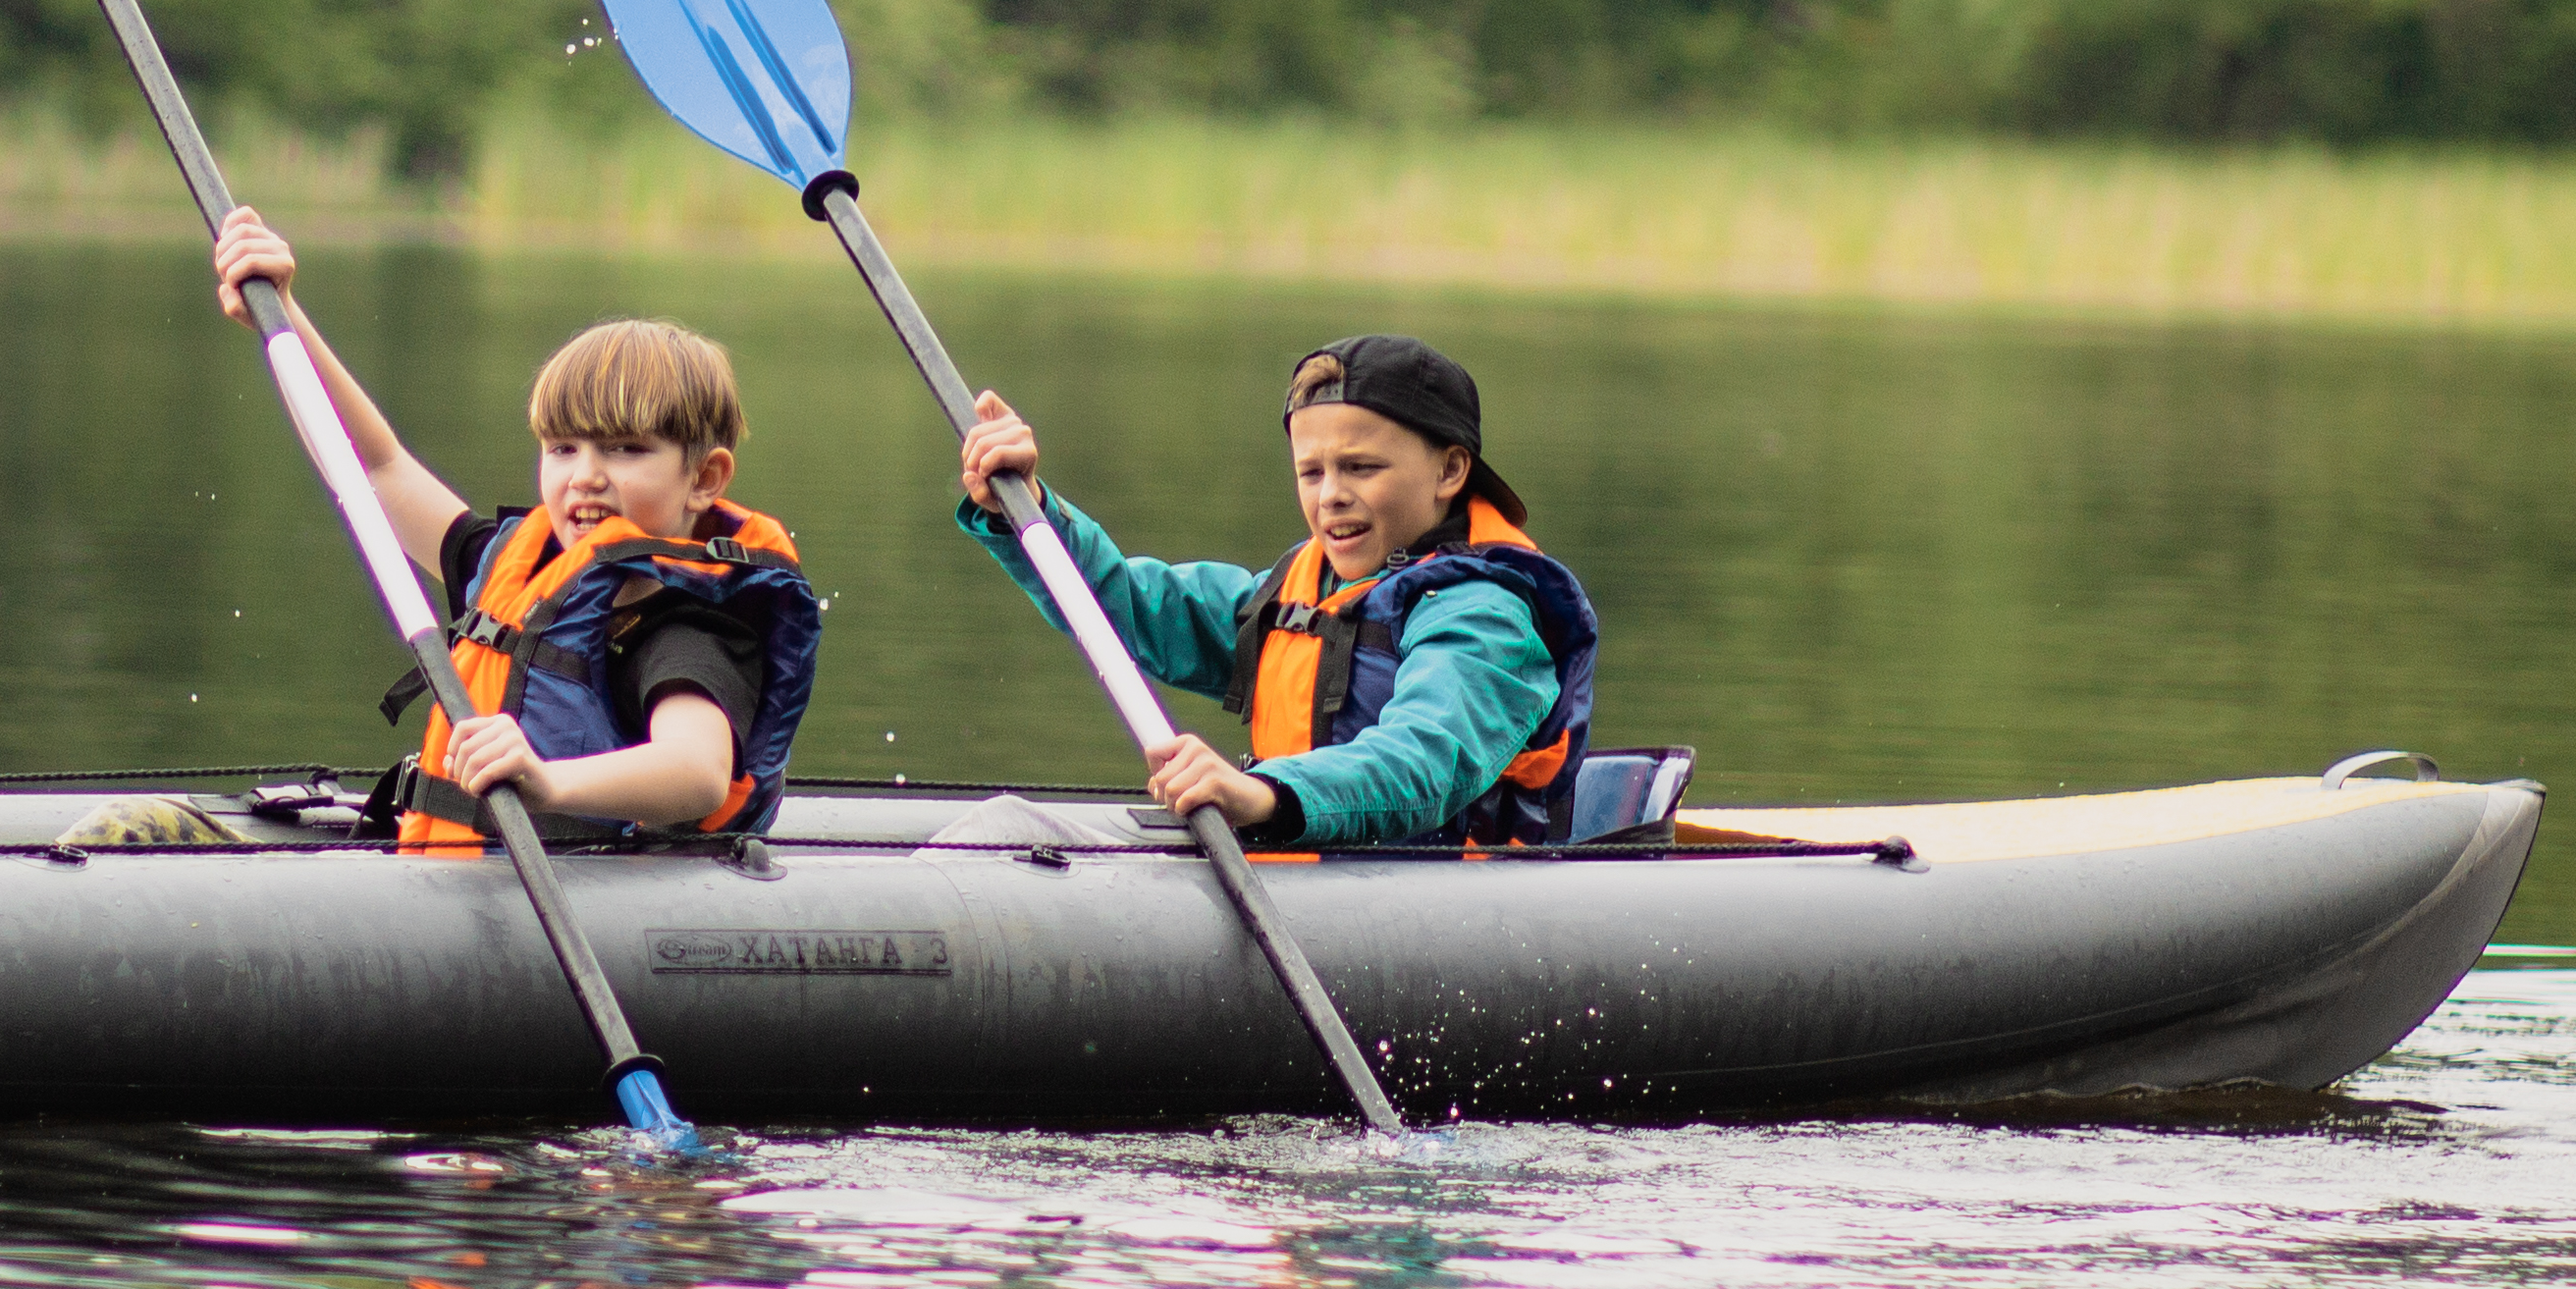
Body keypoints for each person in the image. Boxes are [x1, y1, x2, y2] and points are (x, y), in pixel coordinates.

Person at [208, 209, 821, 847]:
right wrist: (282, 316)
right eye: (562, 449)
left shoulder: (686, 631)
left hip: (598, 894)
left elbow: (697, 774)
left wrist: (549, 783)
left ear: (704, 479)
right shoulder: (514, 566)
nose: (584, 476)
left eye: (624, 450)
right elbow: (372, 468)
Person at [951, 332, 1598, 850]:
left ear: (1450, 470)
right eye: (1310, 472)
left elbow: (1421, 761)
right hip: (1305, 880)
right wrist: (1027, 507)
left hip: (1437, 915)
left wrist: (1264, 795)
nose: (1331, 495)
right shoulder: (1302, 591)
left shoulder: (1488, 617)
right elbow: (1132, 606)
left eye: (1361, 468)